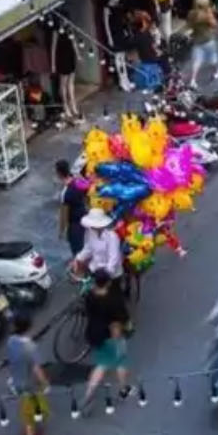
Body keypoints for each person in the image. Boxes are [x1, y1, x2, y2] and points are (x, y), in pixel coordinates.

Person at [80, 271, 132, 408]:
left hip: (94, 333)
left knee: (102, 363)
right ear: (108, 283)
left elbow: (87, 312)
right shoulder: (113, 299)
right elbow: (123, 318)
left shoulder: (90, 296)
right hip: (111, 335)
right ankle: (124, 389)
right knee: (120, 361)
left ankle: (89, 393)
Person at [6, 316, 51, 435]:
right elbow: (36, 369)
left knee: (27, 408)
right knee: (31, 412)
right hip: (30, 384)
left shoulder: (10, 341)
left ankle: (30, 432)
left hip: (17, 380)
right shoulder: (30, 347)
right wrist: (45, 383)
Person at [72, 208, 124, 282]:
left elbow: (114, 258)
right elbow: (88, 249)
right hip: (95, 269)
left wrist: (106, 273)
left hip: (111, 274)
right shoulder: (90, 233)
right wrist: (78, 258)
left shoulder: (112, 237)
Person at [185, 0, 218, 86]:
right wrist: (211, 14)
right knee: (212, 56)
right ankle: (216, 72)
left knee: (197, 60)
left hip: (197, 40)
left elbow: (188, 26)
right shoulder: (206, 15)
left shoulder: (191, 14)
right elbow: (214, 25)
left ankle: (193, 80)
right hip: (208, 39)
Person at [56, 160, 86, 259]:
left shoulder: (65, 193)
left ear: (59, 173)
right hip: (84, 217)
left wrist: (61, 231)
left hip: (75, 224)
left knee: (77, 250)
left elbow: (64, 214)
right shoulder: (78, 180)